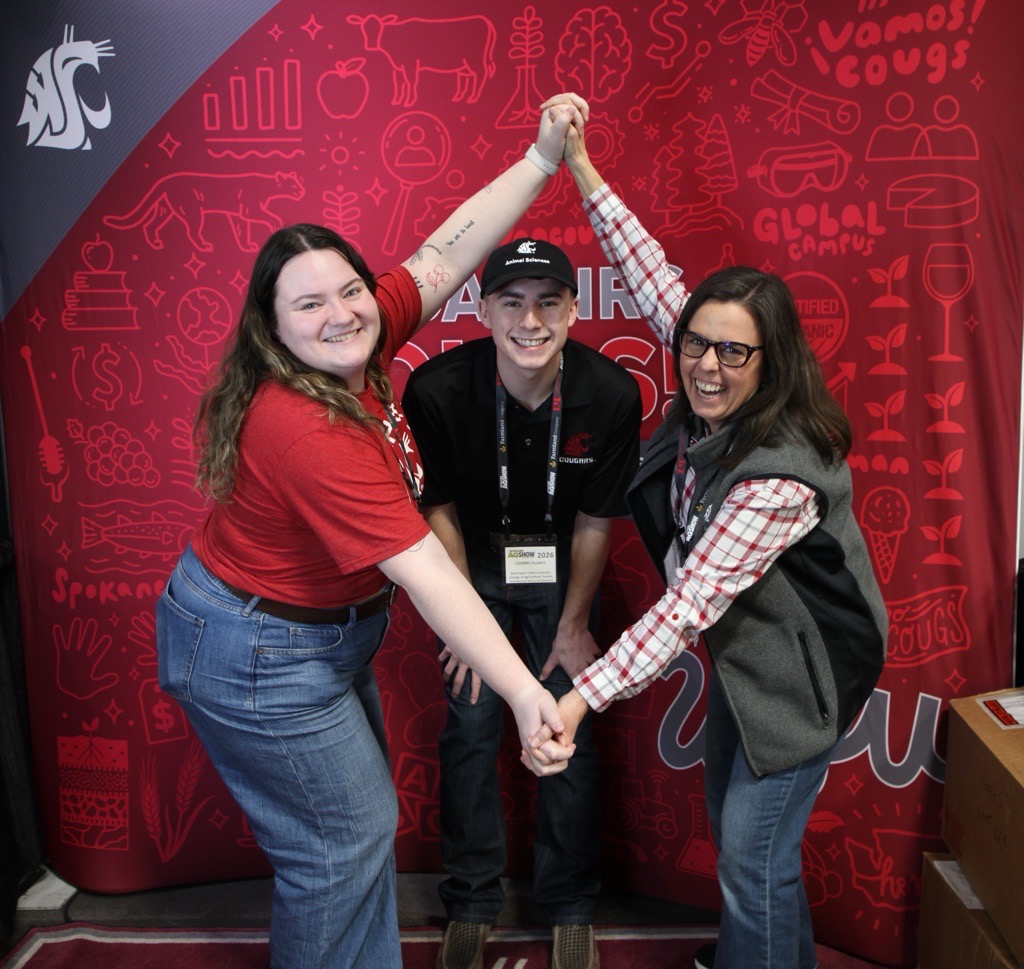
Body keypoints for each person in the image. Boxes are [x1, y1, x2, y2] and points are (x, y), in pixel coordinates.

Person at [154, 99, 587, 969]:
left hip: (309, 634)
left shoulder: (356, 337)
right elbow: (426, 572)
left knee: (348, 843)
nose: (343, 312)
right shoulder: (306, 427)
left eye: (350, 289)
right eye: (309, 303)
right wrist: (524, 692)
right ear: (271, 328)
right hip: (258, 649)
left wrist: (542, 160)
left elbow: (443, 253)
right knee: (337, 848)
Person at [531, 108, 888, 969]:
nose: (706, 366)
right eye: (696, 345)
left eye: (734, 353)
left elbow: (686, 606)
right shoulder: (707, 363)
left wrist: (577, 701)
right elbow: (655, 276)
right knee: (754, 860)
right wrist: (579, 165)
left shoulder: (775, 473)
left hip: (798, 678)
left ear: (772, 361)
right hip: (750, 655)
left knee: (749, 862)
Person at [403, 238, 642, 969]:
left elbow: (597, 520)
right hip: (469, 564)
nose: (529, 320)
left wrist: (574, 626)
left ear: (575, 308)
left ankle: (568, 902)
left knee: (565, 732)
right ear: (483, 309)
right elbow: (436, 508)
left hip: (565, 569)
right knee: (471, 727)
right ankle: (473, 901)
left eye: (548, 301)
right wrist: (462, 618)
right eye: (512, 301)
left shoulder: (609, 392)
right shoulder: (437, 388)